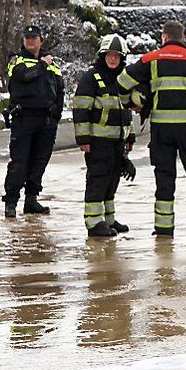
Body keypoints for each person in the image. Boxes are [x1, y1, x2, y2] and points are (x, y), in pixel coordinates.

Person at [118, 20, 186, 236]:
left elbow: (122, 82)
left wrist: (133, 101)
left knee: (164, 177)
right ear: (182, 38)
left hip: (162, 129)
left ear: (164, 37)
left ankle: (164, 230)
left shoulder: (151, 59)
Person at [73, 34, 136, 238]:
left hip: (118, 140)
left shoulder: (123, 79)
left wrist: (130, 136)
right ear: (102, 55)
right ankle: (94, 222)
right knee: (98, 179)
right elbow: (81, 109)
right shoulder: (91, 77)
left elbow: (128, 111)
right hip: (98, 140)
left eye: (116, 56)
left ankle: (108, 219)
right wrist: (83, 139)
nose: (112, 59)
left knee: (112, 180)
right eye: (109, 55)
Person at [2, 25, 64, 218]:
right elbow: (25, 77)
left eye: (34, 37)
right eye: (27, 37)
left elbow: (60, 89)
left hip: (46, 121)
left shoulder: (52, 64)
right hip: (24, 119)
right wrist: (42, 65)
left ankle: (31, 199)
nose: (30, 40)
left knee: (39, 162)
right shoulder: (17, 61)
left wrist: (57, 115)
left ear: (41, 40)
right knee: (19, 163)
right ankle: (11, 201)